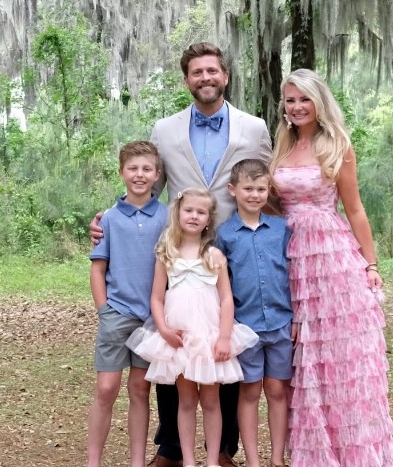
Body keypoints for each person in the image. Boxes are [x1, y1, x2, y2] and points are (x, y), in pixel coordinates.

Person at [91, 42, 272, 467]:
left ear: (225, 76)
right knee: (175, 339)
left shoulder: (254, 127)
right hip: (180, 247)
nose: (205, 78)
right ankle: (171, 447)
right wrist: (108, 218)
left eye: (212, 71)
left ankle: (222, 449)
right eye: (197, 72)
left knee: (221, 342)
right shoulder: (165, 130)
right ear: (187, 79)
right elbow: (148, 189)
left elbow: (265, 186)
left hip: (234, 246)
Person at [270, 68, 393, 466]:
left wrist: (371, 264)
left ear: (318, 102)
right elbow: (271, 202)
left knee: (339, 362)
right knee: (300, 360)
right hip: (288, 258)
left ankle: (353, 454)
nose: (296, 107)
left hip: (331, 260)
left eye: (304, 99)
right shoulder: (280, 144)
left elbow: (355, 208)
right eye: (290, 100)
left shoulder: (337, 145)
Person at [126, 188, 259, 467]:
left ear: (209, 219)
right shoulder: (166, 253)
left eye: (201, 212)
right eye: (189, 210)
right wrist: (162, 328)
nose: (194, 216)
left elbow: (225, 299)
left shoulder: (214, 255)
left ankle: (211, 460)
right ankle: (188, 460)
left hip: (208, 335)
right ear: (178, 213)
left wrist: (224, 338)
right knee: (185, 400)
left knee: (211, 399)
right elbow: (157, 297)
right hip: (179, 335)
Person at [86, 141, 168, 467]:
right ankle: (93, 460)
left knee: (140, 390)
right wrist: (104, 309)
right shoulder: (108, 219)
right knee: (106, 388)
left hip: (150, 319)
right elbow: (98, 269)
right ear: (121, 173)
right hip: (117, 314)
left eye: (147, 169)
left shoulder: (166, 217)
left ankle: (137, 461)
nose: (139, 175)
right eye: (133, 168)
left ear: (157, 174)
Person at [214, 159, 293, 467]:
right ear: (233, 190)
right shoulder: (225, 235)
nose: (255, 195)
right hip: (244, 328)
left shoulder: (281, 229)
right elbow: (221, 288)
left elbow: (293, 275)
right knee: (249, 392)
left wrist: (297, 317)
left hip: (281, 324)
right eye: (248, 188)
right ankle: (253, 459)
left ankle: (276, 459)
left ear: (268, 190)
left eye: (261, 189)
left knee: (276, 390)